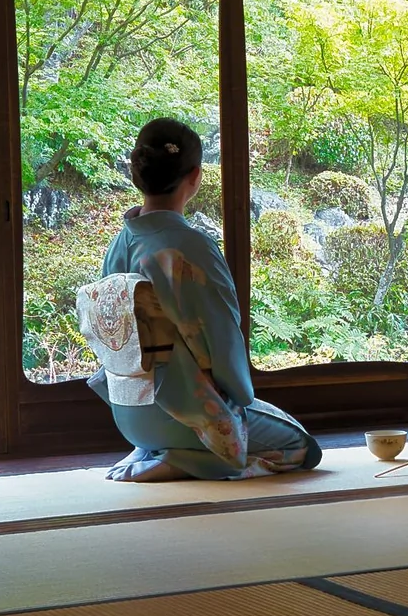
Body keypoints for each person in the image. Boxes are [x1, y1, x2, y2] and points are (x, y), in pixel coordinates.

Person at [86, 117, 322, 481]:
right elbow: (222, 337)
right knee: (300, 444)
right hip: (185, 413)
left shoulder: (119, 243)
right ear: (195, 176)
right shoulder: (190, 247)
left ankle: (155, 451)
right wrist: (241, 396)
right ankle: (186, 459)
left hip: (128, 412)